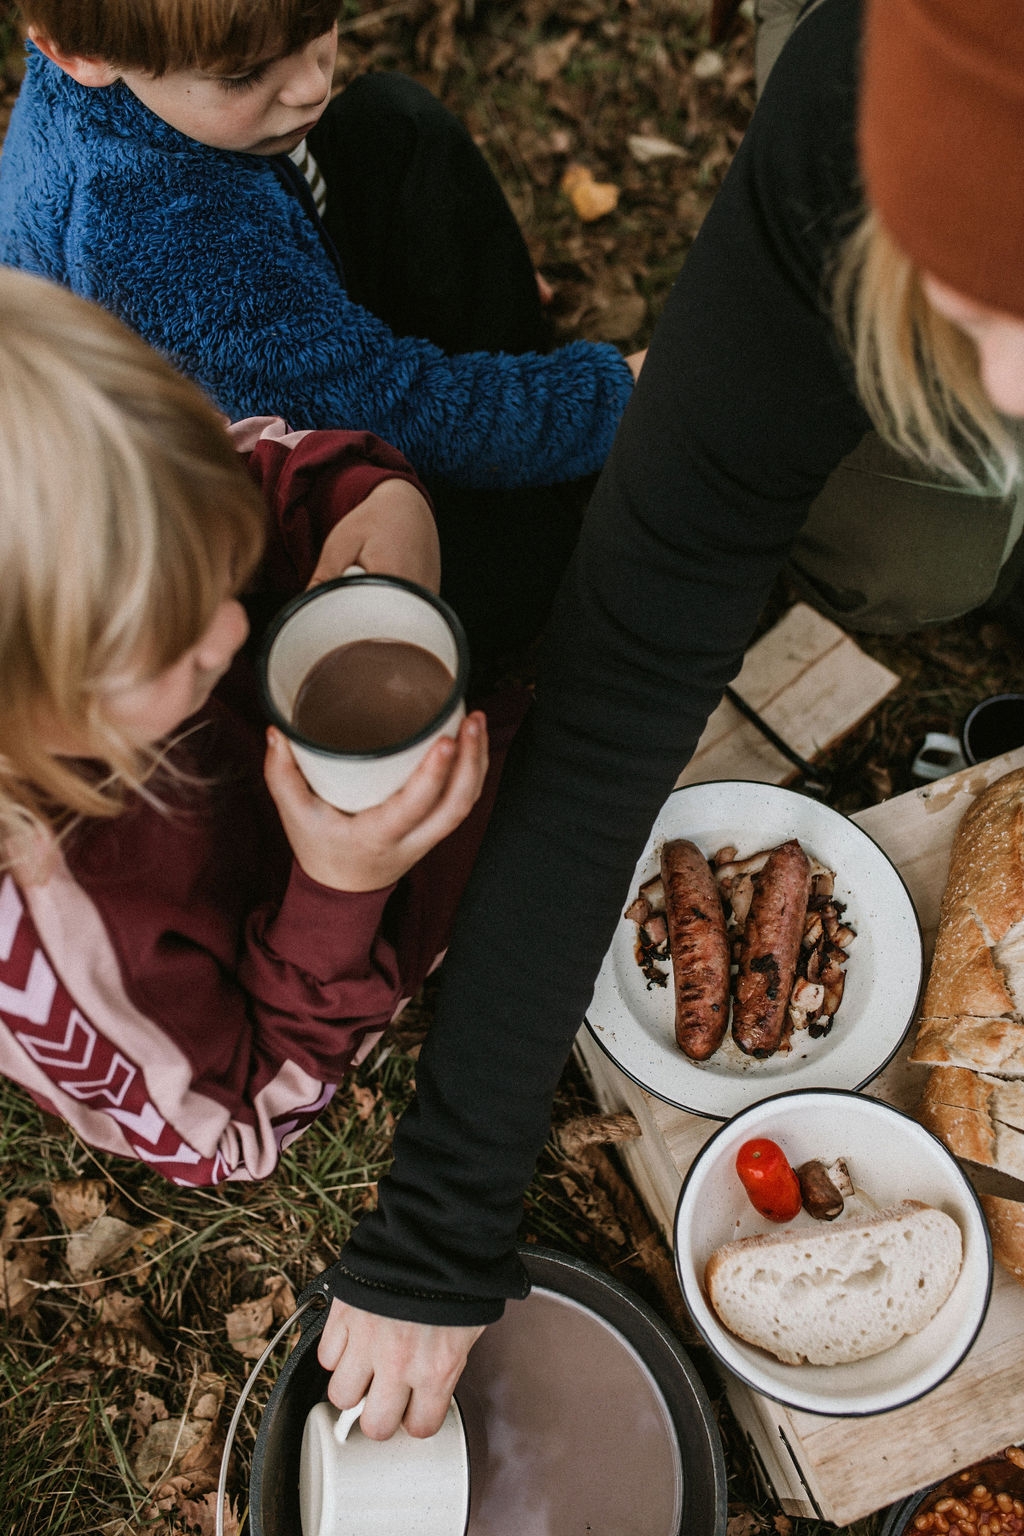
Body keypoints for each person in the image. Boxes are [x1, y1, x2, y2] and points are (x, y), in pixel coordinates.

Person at [302, 0, 1024, 1442]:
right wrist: (443, 1216)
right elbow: (632, 659)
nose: (1007, 378)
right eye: (981, 299)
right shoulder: (860, 105)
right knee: (923, 538)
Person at [0, 264, 530, 1185]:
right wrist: (339, 892)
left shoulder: (105, 494)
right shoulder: (55, 947)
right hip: (390, 920)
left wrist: (370, 501)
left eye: (220, 570)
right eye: (170, 642)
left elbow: (259, 465)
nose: (236, 627)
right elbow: (231, 1135)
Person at [0, 0, 644, 667]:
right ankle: (549, 512)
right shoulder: (161, 244)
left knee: (394, 125)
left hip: (269, 304)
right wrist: (622, 395)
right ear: (78, 55)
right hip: (245, 513)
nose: (312, 85)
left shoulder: (114, 71)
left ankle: (522, 379)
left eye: (316, 28)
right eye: (246, 73)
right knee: (509, 571)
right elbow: (410, 418)